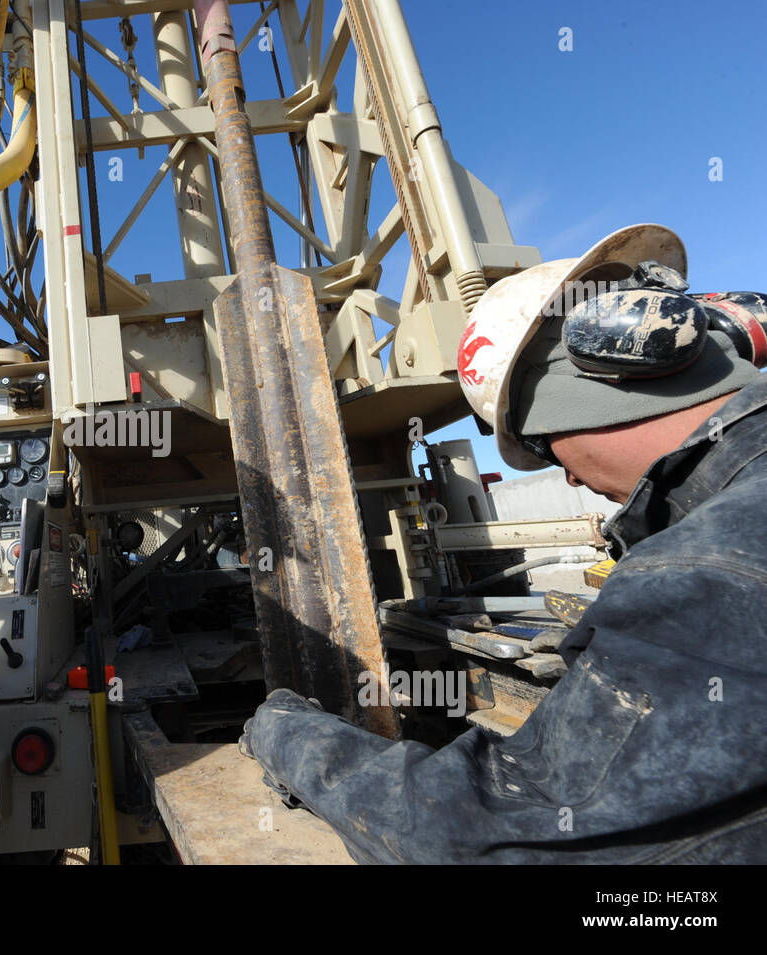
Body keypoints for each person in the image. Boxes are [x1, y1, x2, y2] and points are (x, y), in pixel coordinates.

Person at [241, 223, 767, 863]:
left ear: (608, 369)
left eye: (541, 442)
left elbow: (478, 836)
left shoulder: (708, 569)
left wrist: (285, 733)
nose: (569, 475)